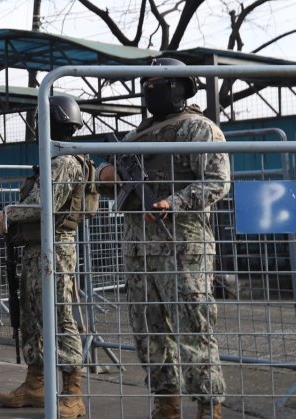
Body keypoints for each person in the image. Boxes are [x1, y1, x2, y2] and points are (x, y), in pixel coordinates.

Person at [99, 58, 229, 419]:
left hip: (182, 244)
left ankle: (208, 406)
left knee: (193, 325)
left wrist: (174, 202)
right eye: (147, 84)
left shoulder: (198, 129)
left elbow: (218, 182)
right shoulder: (135, 136)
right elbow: (107, 181)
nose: (150, 90)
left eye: (159, 83)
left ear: (181, 87)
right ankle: (166, 403)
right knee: (148, 329)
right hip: (139, 247)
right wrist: (107, 176)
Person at [0, 95, 95, 416]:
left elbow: (43, 203)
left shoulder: (64, 161)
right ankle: (36, 383)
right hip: (38, 249)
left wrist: (8, 212)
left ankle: (72, 391)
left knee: (60, 315)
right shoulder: (54, 159)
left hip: (56, 248)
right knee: (33, 315)